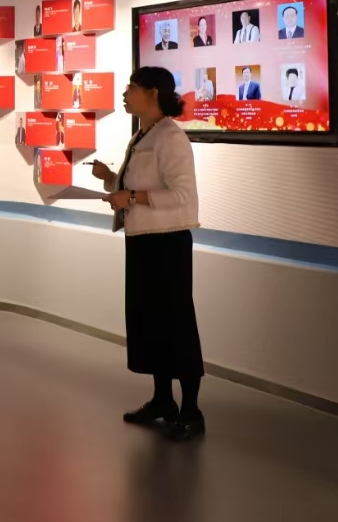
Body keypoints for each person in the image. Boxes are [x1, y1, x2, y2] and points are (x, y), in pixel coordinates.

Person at [90, 66, 204, 442]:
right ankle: (162, 400)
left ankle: (191, 410)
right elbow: (138, 185)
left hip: (167, 243)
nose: (124, 94)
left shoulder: (170, 137)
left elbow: (183, 195)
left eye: (131, 88)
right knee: (150, 323)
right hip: (142, 240)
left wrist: (133, 196)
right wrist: (111, 179)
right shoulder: (144, 134)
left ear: (152, 93)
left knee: (176, 325)